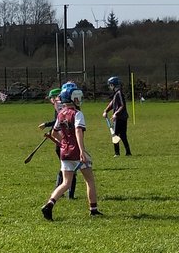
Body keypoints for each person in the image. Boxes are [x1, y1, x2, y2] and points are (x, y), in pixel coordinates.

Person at [41, 82, 101, 219]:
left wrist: (63, 142)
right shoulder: (78, 113)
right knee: (89, 180)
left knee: (65, 183)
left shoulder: (60, 114)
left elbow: (54, 133)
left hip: (65, 152)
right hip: (77, 153)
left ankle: (49, 204)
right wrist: (81, 151)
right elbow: (78, 131)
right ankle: (93, 209)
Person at [40, 86, 76, 200]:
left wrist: (47, 126)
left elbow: (58, 122)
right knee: (69, 169)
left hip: (63, 142)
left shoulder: (61, 109)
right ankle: (67, 193)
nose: (50, 100)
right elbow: (58, 123)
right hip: (64, 143)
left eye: (51, 98)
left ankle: (63, 191)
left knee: (66, 168)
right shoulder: (61, 109)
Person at [103, 75, 132, 156]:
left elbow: (122, 105)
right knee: (122, 135)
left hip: (120, 118)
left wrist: (116, 114)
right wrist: (106, 111)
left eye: (110, 85)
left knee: (115, 135)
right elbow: (112, 104)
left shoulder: (119, 93)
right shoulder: (116, 94)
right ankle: (128, 152)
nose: (109, 87)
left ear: (113, 85)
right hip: (120, 117)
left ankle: (117, 153)